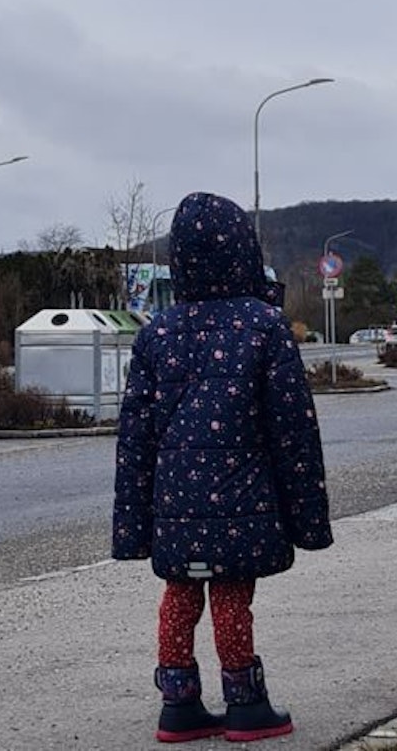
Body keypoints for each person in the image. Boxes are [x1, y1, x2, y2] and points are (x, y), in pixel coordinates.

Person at [112, 191, 333, 743]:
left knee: (180, 593)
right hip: (242, 499)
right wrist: (308, 520)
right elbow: (293, 432)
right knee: (232, 594)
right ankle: (244, 700)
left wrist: (132, 528)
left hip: (175, 504)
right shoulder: (263, 325)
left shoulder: (155, 334)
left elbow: (135, 439)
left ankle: (178, 702)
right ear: (243, 253)